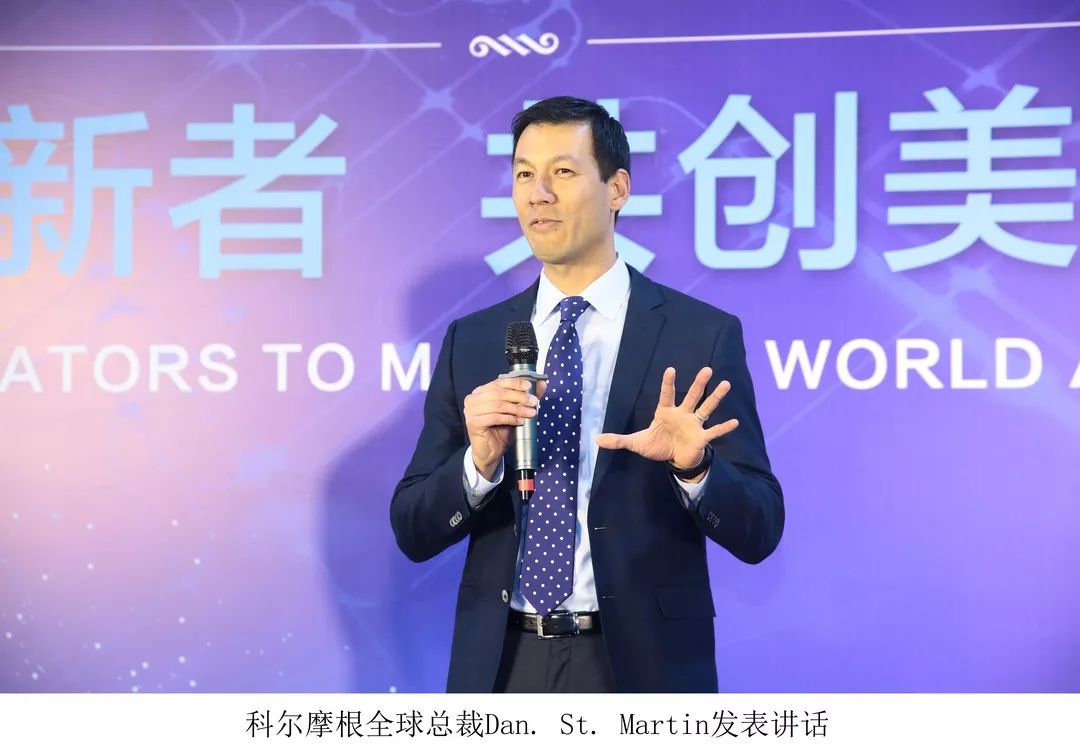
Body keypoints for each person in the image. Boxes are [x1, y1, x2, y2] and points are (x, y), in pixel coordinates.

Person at [390, 96, 783, 693]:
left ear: (617, 188)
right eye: (524, 174)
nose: (538, 194)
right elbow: (413, 530)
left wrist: (695, 468)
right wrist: (478, 464)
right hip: (502, 666)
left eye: (563, 172)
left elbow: (760, 528)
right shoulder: (474, 341)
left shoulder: (698, 335)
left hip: (642, 668)